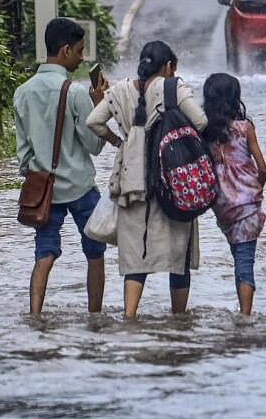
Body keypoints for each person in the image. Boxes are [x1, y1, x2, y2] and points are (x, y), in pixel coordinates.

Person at [87, 41, 206, 319]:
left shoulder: (118, 91)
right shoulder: (172, 88)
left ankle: (129, 317)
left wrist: (119, 141)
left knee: (135, 256)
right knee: (179, 258)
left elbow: (94, 121)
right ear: (168, 67)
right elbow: (200, 122)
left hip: (131, 179)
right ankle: (179, 321)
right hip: (172, 177)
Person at [14, 18, 110, 314]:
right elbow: (94, 146)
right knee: (95, 254)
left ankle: (35, 316)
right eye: (79, 51)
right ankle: (95, 317)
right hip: (80, 187)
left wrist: (41, 171)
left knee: (44, 254)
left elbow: (24, 155)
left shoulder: (23, 92)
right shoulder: (77, 93)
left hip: (44, 190)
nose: (81, 58)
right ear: (66, 50)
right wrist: (99, 106)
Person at [203, 73, 266, 316]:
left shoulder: (205, 131)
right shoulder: (244, 129)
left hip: (221, 206)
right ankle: (245, 316)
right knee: (244, 262)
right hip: (247, 205)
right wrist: (257, 188)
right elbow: (262, 167)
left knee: (237, 255)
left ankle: (243, 313)